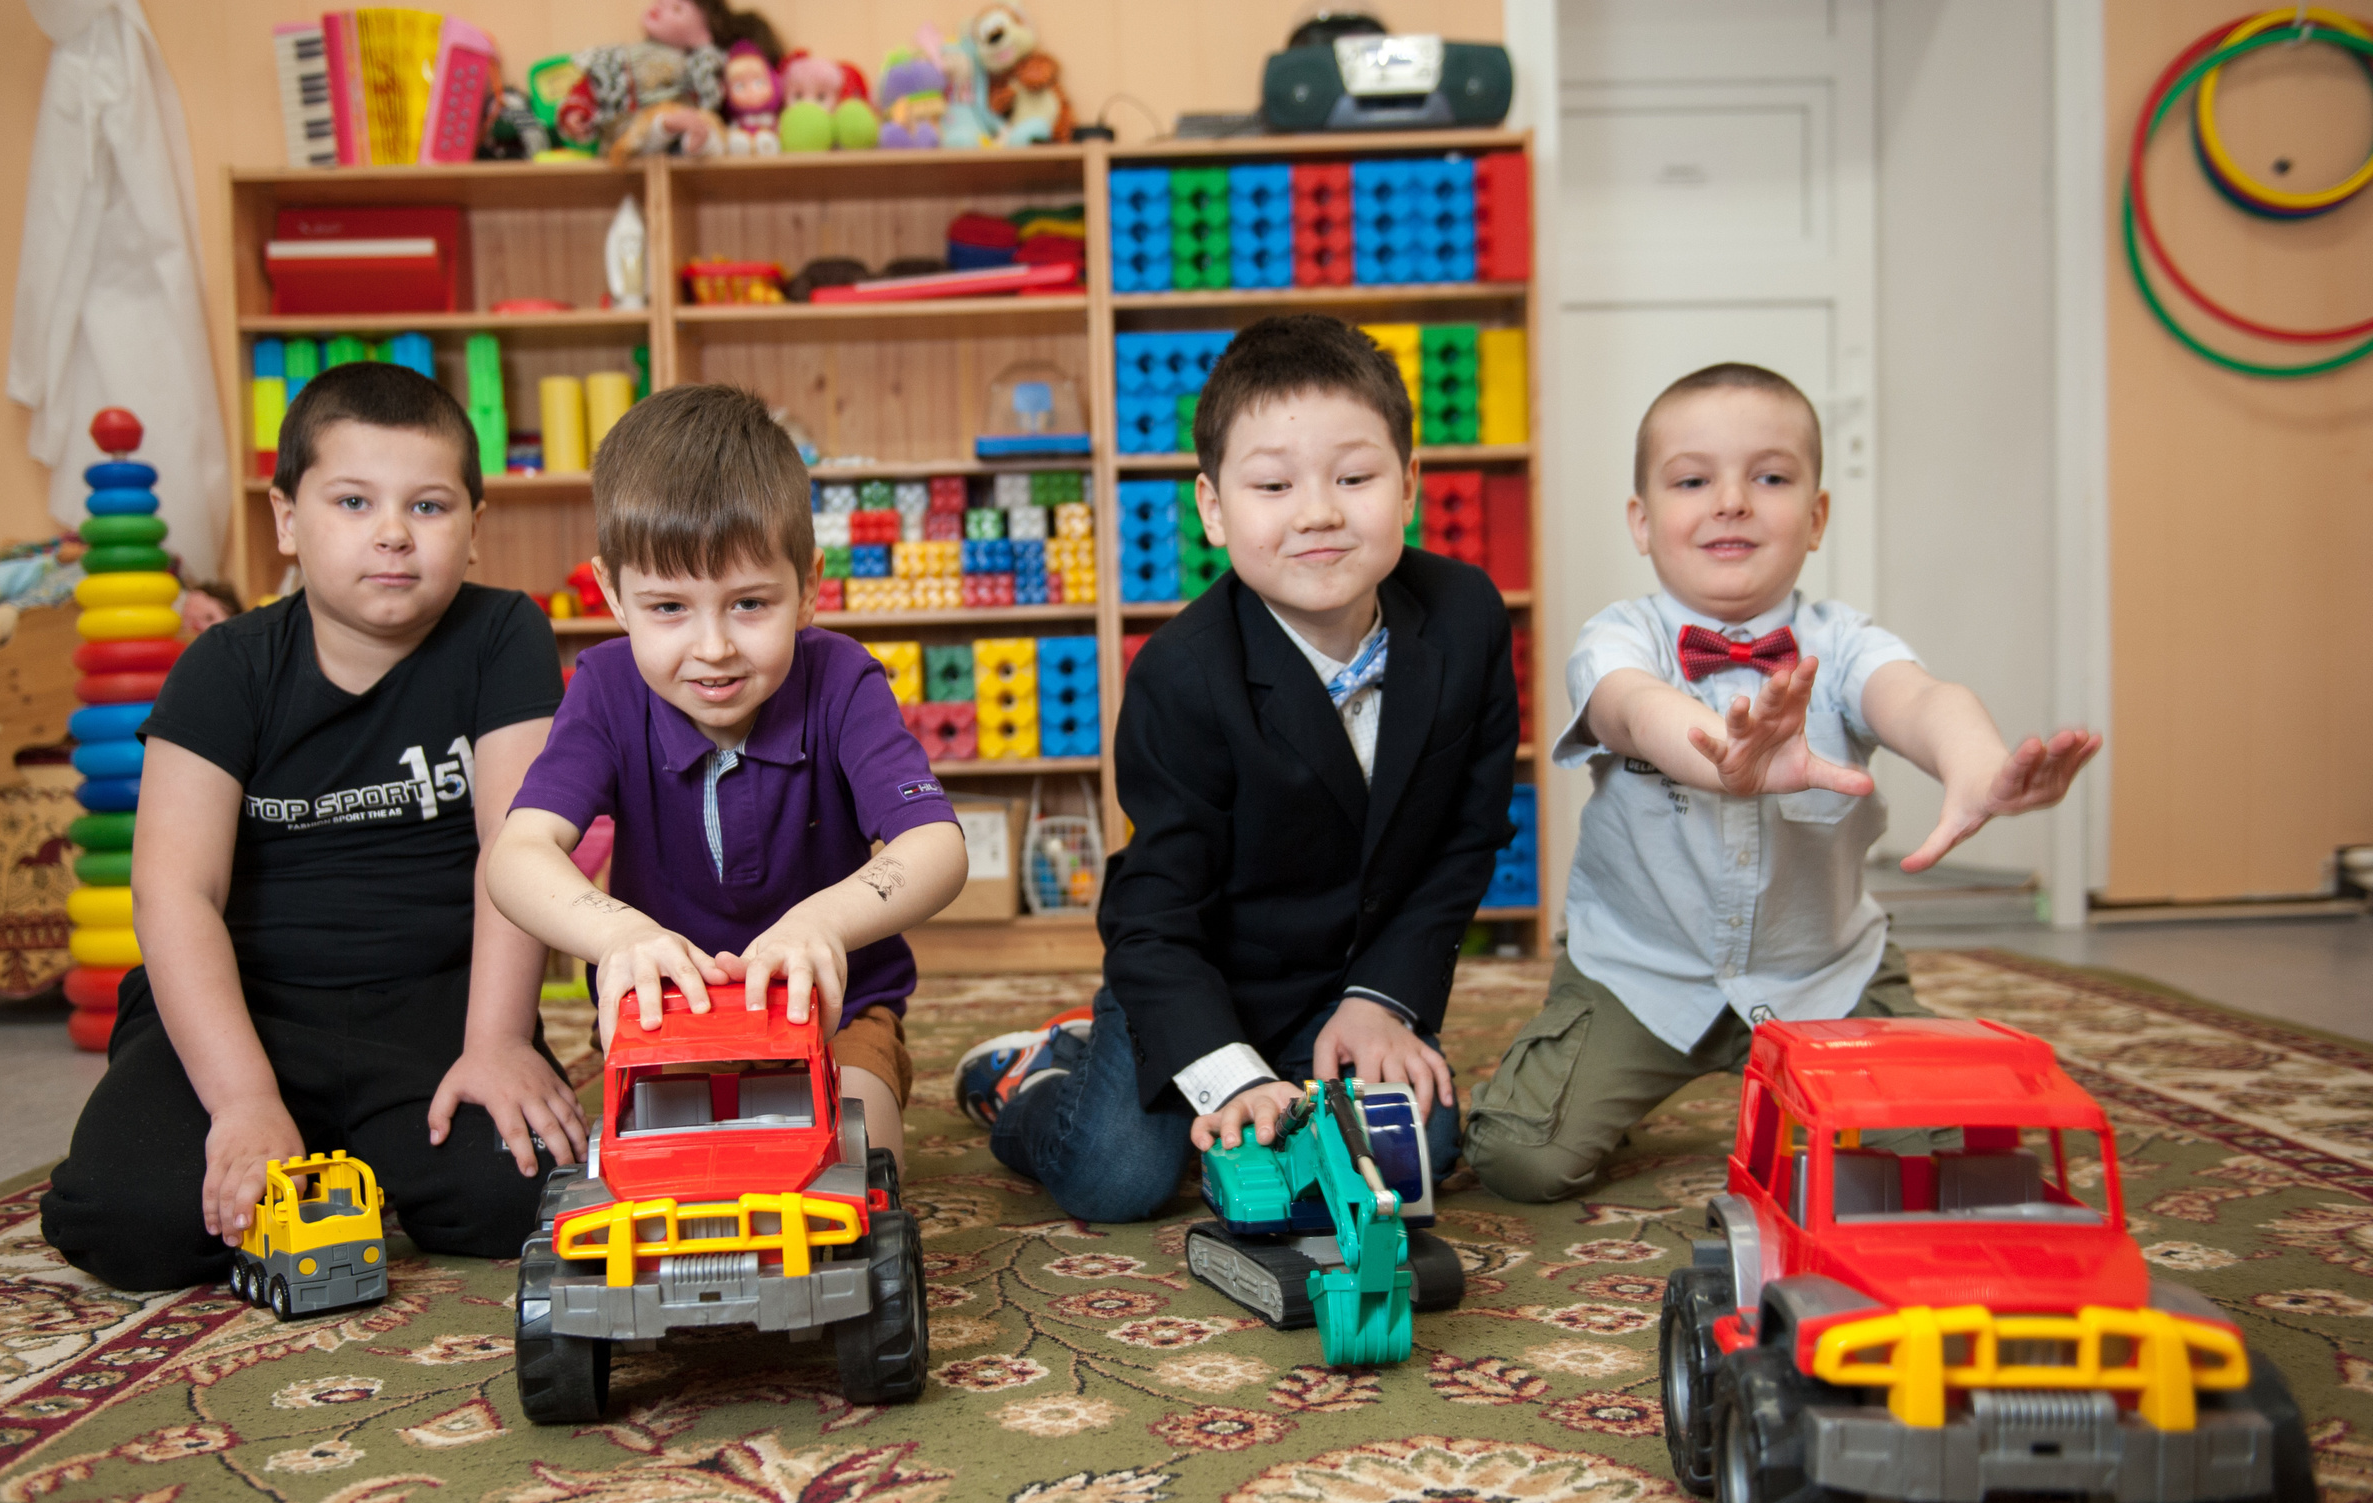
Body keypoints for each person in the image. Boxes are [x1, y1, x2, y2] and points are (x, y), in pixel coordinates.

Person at [1463, 362, 2102, 1201]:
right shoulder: (1618, 638)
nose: (1731, 500)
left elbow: (1919, 698)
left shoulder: (1845, 643)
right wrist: (1720, 758)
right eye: (1693, 480)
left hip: (1822, 971)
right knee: (1520, 1159)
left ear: (1817, 516)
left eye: (1769, 477)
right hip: (1643, 973)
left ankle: (1820, 1089)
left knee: (1950, 1158)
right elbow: (1633, 709)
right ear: (1642, 522)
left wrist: (1974, 760)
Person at [955, 314, 1520, 1222]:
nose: (1319, 512)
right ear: (1214, 509)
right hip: (1202, 977)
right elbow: (1153, 913)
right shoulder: (1182, 675)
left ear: (1410, 484)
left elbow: (1466, 840)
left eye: (1356, 477)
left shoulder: (1468, 617)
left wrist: (1383, 1002)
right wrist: (1225, 1074)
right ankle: (1034, 1073)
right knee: (1115, 1179)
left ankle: (1340, 1040)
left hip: (1354, 980)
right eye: (1272, 484)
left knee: (1415, 1162)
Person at [42, 363, 586, 1290]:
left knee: (517, 1203)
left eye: (427, 507)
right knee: (131, 1223)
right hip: (252, 1007)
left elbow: (516, 849)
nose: (391, 534)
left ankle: (360, 1158)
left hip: (433, 1008)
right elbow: (175, 890)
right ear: (287, 521)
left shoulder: (504, 635)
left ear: (474, 531)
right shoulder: (227, 666)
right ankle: (304, 1143)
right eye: (352, 502)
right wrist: (244, 1099)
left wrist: (495, 1042)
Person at [486, 384, 968, 1163]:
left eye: (749, 603)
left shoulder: (844, 680)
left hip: (836, 1013)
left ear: (808, 587)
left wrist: (824, 925)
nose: (712, 647)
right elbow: (515, 857)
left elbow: (937, 846)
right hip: (665, 1014)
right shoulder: (606, 689)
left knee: (850, 1170)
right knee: (647, 1181)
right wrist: (621, 936)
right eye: (668, 608)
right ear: (612, 594)